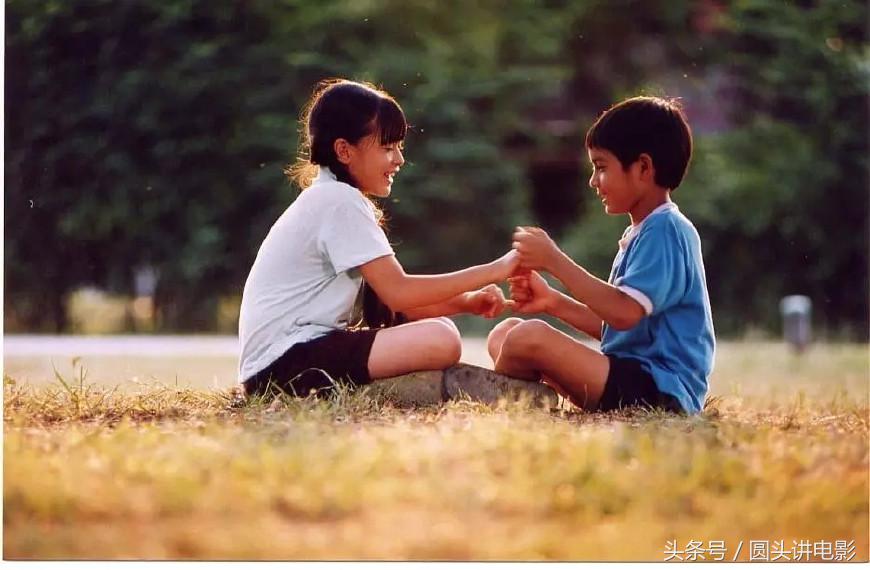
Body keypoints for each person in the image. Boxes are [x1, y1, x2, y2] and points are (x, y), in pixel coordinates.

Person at [239, 78, 518, 398]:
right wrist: (496, 269)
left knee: (439, 332)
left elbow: (387, 306)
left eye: (399, 147)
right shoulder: (339, 202)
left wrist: (467, 302)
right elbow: (399, 292)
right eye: (387, 148)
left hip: (277, 365)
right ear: (344, 150)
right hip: (284, 365)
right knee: (442, 339)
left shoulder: (331, 198)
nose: (399, 159)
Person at [488, 96, 715, 414]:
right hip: (629, 377)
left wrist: (555, 260)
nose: (593, 181)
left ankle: (497, 396)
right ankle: (523, 395)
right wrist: (552, 302)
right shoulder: (642, 232)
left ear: (643, 168)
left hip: (659, 390)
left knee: (527, 337)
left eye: (601, 167)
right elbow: (620, 326)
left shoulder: (667, 230)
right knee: (506, 331)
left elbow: (624, 313)